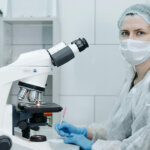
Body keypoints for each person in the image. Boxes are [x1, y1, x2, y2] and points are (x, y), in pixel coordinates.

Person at [55, 3, 150, 150]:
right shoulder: (132, 78)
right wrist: (87, 132)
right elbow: (118, 130)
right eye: (125, 33)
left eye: (140, 33)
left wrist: (94, 147)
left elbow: (143, 144)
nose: (130, 40)